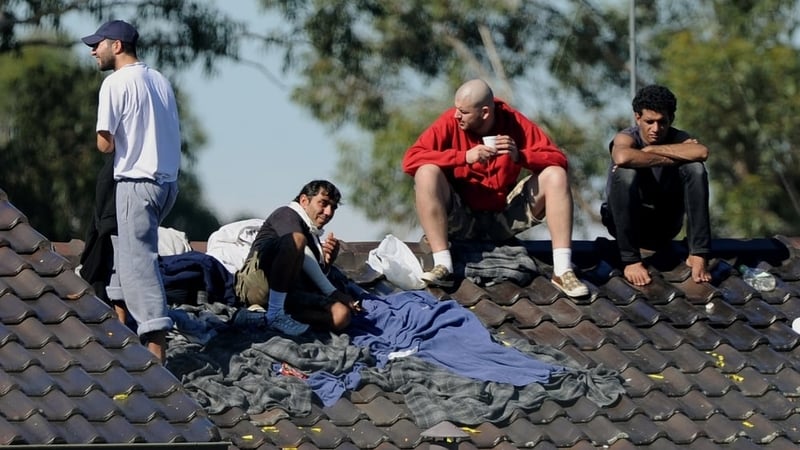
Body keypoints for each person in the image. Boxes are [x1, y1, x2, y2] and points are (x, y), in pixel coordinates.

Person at [402, 79, 589, 298]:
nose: (456, 116)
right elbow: (410, 160)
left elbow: (559, 159)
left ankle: (562, 270)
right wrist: (463, 157)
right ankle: (443, 264)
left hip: (503, 216)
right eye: (456, 109)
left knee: (556, 175)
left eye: (463, 112)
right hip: (462, 218)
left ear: (484, 113)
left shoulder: (513, 121)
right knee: (426, 172)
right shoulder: (450, 122)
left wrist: (521, 155)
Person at [82, 20, 181, 361]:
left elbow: (105, 144)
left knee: (139, 265)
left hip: (137, 184)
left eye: (99, 44)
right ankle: (120, 334)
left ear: (117, 46)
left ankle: (156, 352)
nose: (93, 50)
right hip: (166, 185)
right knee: (122, 253)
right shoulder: (160, 80)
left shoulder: (115, 82)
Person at [600, 84, 711, 286]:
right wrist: (672, 156)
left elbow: (701, 153)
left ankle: (698, 253)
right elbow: (623, 156)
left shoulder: (678, 136)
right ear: (637, 118)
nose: (656, 129)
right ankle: (631, 261)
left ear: (671, 120)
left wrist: (651, 151)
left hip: (664, 225)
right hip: (627, 224)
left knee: (695, 168)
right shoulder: (627, 137)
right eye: (649, 122)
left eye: (662, 122)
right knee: (625, 172)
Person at [234, 180, 361, 336]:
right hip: (258, 284)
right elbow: (296, 247)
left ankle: (262, 318)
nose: (328, 212)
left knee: (341, 315)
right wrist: (333, 292)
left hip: (289, 294)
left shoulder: (313, 236)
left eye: (333, 207)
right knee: (297, 240)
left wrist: (327, 262)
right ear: (304, 201)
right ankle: (274, 314)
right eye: (323, 203)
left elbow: (310, 274)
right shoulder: (286, 214)